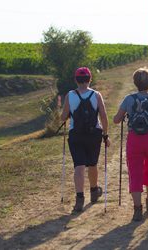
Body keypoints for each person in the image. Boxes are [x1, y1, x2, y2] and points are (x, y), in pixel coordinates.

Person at [113, 67, 148, 221]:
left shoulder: (128, 99)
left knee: (135, 173)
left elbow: (117, 120)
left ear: (135, 82)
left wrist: (121, 116)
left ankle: (137, 209)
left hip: (134, 139)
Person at [61, 67, 110, 213]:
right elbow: (103, 116)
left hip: (76, 134)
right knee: (92, 164)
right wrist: (105, 135)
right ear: (90, 79)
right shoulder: (96, 95)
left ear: (76, 80)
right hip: (94, 134)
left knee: (79, 166)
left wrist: (69, 113)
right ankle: (94, 191)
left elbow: (63, 117)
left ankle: (79, 199)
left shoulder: (70, 95)